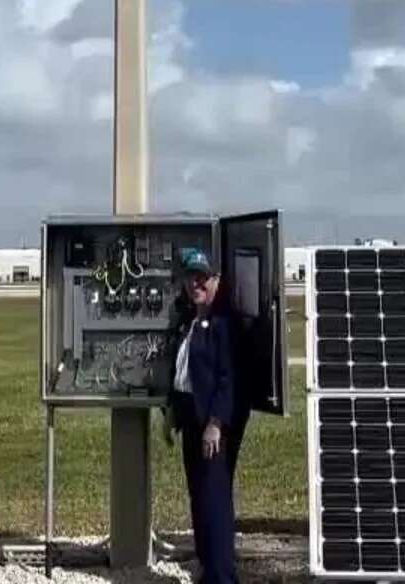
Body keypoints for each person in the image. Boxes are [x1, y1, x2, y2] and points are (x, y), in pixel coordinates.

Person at [164, 247, 245, 584]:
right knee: (198, 495)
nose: (195, 283)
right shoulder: (189, 319)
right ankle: (207, 567)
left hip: (212, 424)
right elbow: (181, 371)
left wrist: (215, 424)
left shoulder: (224, 324)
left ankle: (222, 576)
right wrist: (171, 413)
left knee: (214, 500)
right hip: (189, 418)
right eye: (191, 277)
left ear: (216, 280)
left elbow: (230, 378)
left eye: (203, 277)